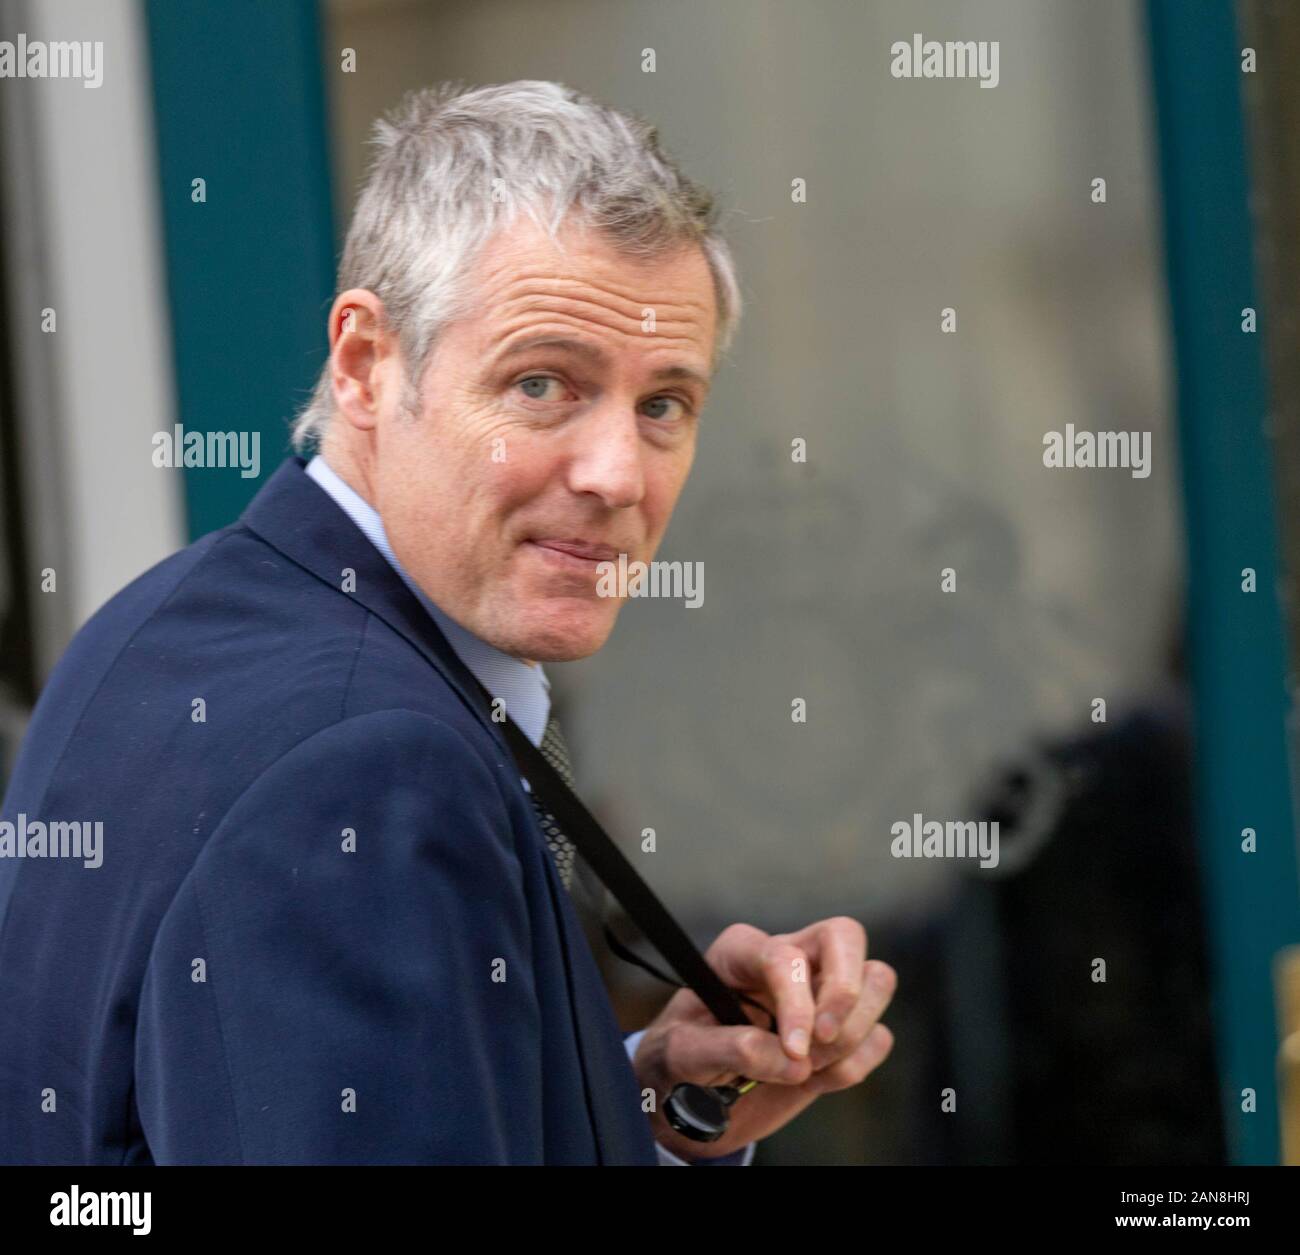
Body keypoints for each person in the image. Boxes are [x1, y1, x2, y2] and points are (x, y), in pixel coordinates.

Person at [0, 80, 895, 1165]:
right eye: (541, 384)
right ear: (368, 365)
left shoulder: (160, 625)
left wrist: (639, 1102)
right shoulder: (374, 767)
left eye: (663, 403)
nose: (618, 473)